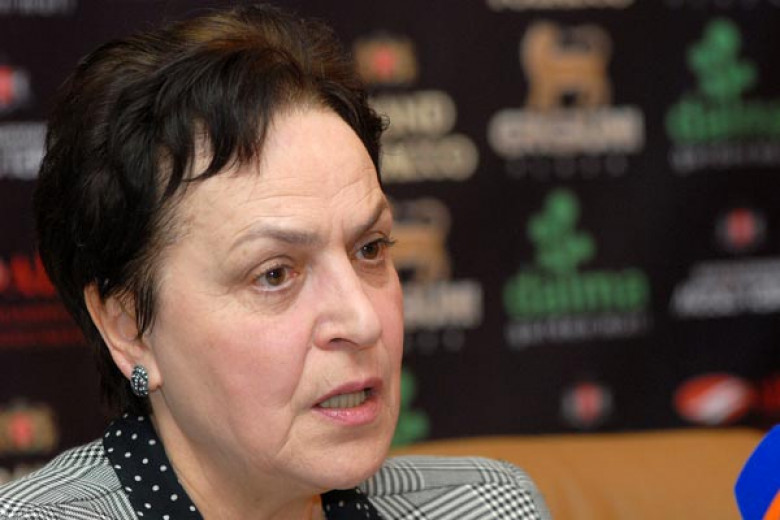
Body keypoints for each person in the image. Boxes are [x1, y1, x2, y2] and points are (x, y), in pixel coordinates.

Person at [0, 4, 550, 519]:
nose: (363, 321)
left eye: (370, 249)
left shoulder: (488, 506)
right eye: (275, 274)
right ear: (128, 327)